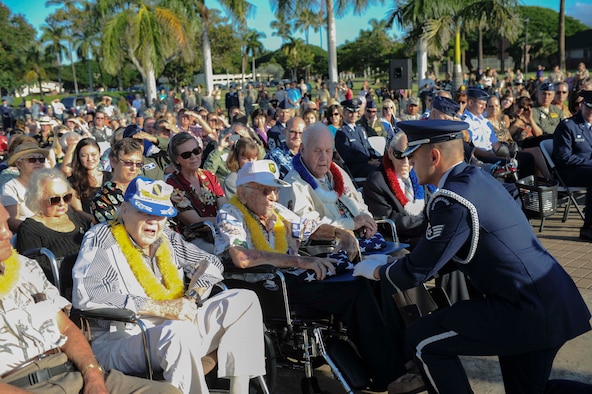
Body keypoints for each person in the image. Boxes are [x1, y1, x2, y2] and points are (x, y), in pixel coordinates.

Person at [353, 120, 592, 394]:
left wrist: (378, 270)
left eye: (413, 155)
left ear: (434, 156)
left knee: (423, 339)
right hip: (548, 300)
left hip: (523, 308)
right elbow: (448, 255)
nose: (409, 162)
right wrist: (393, 263)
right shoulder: (474, 178)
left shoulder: (451, 198)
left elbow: (418, 270)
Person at [216, 160, 424, 393]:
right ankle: (391, 377)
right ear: (243, 193)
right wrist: (301, 261)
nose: (274, 196)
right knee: (355, 293)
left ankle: (405, 359)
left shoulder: (276, 210)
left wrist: (339, 232)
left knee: (372, 281)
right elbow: (241, 257)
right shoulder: (231, 213)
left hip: (293, 279)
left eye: (275, 189)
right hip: (267, 287)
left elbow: (309, 226)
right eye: (266, 190)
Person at [0, 202, 181, 394]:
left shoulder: (26, 266)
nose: (8, 234)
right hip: (19, 383)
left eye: (6, 223)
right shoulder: (100, 237)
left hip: (71, 370)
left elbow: (67, 328)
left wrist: (93, 376)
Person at [281, 123, 384, 251]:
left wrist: (366, 218)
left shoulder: (336, 172)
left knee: (399, 258)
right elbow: (307, 227)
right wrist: (352, 224)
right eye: (317, 151)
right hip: (329, 252)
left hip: (362, 240)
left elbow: (357, 200)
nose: (324, 158)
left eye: (328, 151)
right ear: (302, 150)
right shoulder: (294, 184)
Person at [363, 132, 435, 248]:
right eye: (400, 155)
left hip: (428, 232)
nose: (406, 162)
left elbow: (430, 198)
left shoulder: (417, 172)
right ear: (390, 152)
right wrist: (428, 225)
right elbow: (389, 220)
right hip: (403, 240)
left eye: (410, 155)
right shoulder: (376, 181)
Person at [166, 132, 227, 250]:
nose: (193, 157)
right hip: (194, 240)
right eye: (186, 155)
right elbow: (196, 223)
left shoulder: (209, 176)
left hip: (221, 231)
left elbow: (225, 206)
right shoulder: (172, 185)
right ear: (177, 160)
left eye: (196, 151)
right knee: (215, 252)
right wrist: (225, 221)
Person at [16, 168, 90, 260]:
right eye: (55, 199)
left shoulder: (79, 220)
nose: (62, 203)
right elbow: (35, 267)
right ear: (38, 200)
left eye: (66, 197)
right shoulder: (29, 229)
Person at [553, 90, 592, 241]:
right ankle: (588, 227)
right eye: (588, 107)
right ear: (581, 105)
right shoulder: (568, 126)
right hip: (569, 172)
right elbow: (564, 158)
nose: (590, 111)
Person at [90, 138, 143, 223]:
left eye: (138, 164)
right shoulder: (101, 200)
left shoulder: (145, 189)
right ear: (113, 161)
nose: (134, 168)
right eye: (128, 163)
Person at [0, 142, 48, 232]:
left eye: (41, 159)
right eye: (32, 159)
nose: (37, 162)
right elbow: (13, 221)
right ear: (18, 164)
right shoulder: (9, 187)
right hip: (29, 235)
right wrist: (42, 230)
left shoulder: (48, 183)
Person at [335, 99, 381, 178]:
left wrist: (374, 158)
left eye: (355, 112)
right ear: (344, 113)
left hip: (368, 164)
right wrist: (368, 161)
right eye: (350, 112)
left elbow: (368, 147)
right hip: (356, 168)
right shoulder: (341, 133)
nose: (353, 115)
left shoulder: (360, 129)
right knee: (378, 171)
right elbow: (348, 156)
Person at [68, 138, 112, 216]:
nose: (90, 159)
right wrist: (98, 222)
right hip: (88, 225)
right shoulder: (73, 181)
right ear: (78, 157)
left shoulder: (110, 177)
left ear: (99, 154)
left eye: (93, 154)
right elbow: (78, 211)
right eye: (84, 156)